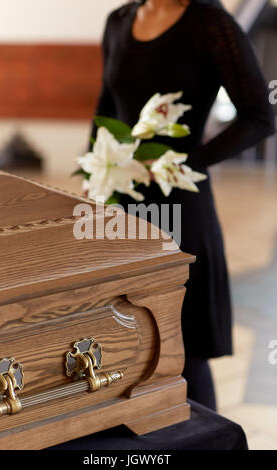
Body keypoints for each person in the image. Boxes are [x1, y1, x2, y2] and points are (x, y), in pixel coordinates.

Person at [89, 0, 275, 410]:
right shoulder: (118, 21)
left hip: (182, 209)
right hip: (122, 208)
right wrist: (93, 182)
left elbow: (260, 117)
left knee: (183, 348)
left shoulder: (211, 23)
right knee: (125, 342)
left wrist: (185, 164)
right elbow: (106, 109)